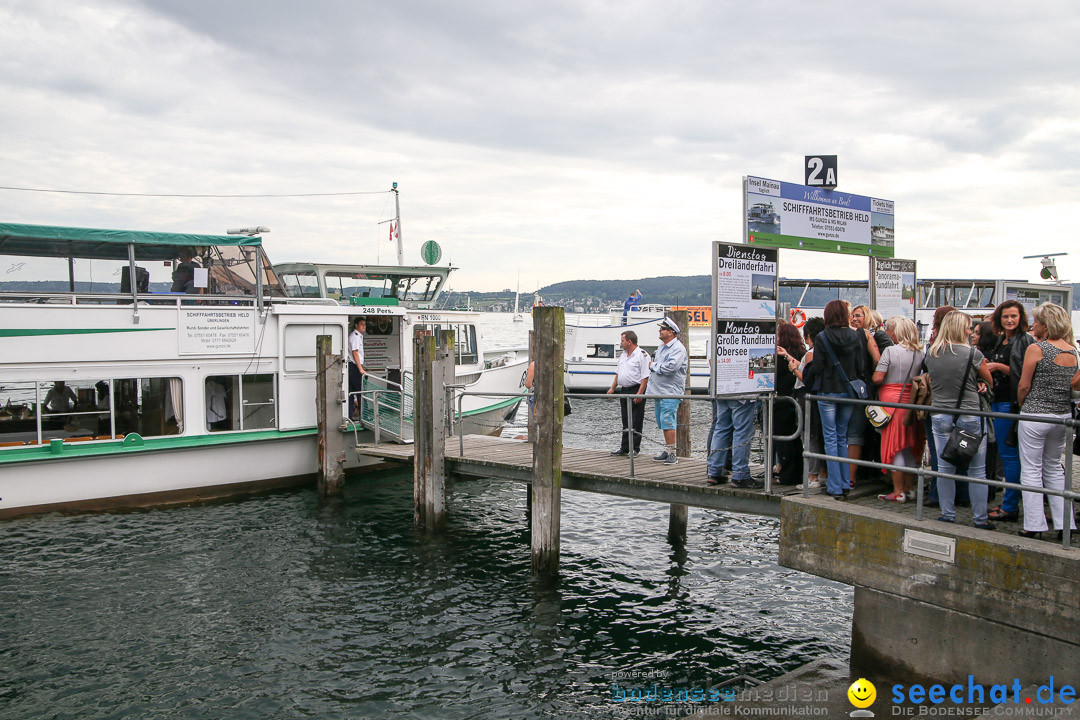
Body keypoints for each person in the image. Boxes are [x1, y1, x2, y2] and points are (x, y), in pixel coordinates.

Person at [924, 311, 995, 529]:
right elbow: (989, 380)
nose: (969, 330)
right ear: (959, 328)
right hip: (970, 414)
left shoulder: (931, 353)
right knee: (976, 470)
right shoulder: (973, 353)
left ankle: (947, 514)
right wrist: (980, 384)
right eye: (967, 327)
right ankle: (980, 518)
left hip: (940, 414)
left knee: (945, 469)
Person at [1016, 303, 1079, 539]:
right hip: (1062, 416)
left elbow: (1024, 384)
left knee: (1031, 470)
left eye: (1037, 322)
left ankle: (1034, 525)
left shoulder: (1037, 348)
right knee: (1054, 469)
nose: (1034, 326)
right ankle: (1066, 525)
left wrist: (1022, 404)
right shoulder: (1072, 350)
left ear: (1046, 324)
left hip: (1035, 414)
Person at [802, 300, 864, 499]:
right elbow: (860, 366)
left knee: (830, 437)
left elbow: (818, 367)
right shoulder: (855, 336)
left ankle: (835, 486)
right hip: (847, 392)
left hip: (827, 391)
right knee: (842, 437)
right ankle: (845, 483)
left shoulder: (822, 337)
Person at [985, 301, 1030, 522]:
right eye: (1005, 317)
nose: (1009, 320)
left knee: (1010, 456)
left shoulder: (1024, 341)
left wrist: (999, 367)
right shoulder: (1001, 340)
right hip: (997, 399)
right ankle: (1008, 502)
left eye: (1013, 316)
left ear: (1021, 317)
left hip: (1010, 404)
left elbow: (1025, 374)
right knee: (1005, 454)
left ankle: (1010, 506)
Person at [872, 316, 926, 502]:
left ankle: (898, 491)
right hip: (911, 400)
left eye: (889, 330)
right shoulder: (920, 352)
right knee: (909, 446)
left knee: (894, 447)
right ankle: (911, 489)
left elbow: (878, 378)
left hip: (891, 401)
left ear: (896, 332)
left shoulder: (890, 351)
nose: (887, 333)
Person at [847, 305, 885, 489]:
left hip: (846, 386)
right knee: (856, 433)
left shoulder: (847, 334)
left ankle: (846, 476)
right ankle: (852, 477)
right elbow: (877, 358)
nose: (854, 318)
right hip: (861, 387)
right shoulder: (866, 335)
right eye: (852, 315)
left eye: (858, 316)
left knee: (845, 434)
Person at [791, 316, 826, 490]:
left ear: (808, 335)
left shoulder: (812, 352)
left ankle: (813, 477)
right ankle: (822, 474)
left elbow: (807, 378)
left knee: (810, 436)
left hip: (806, 397)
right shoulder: (824, 349)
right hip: (819, 397)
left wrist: (794, 369)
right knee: (819, 436)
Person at [646, 318, 687, 465]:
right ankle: (668, 449)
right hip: (659, 391)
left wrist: (653, 365)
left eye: (662, 329)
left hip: (670, 392)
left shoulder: (677, 348)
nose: (660, 331)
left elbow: (671, 368)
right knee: (663, 422)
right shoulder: (662, 347)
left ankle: (672, 453)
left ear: (671, 332)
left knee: (669, 421)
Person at [607, 330, 650, 456]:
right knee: (625, 419)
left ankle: (635, 448)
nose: (621, 343)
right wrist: (612, 388)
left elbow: (645, 376)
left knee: (636, 420)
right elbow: (618, 373)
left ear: (629, 341)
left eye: (622, 340)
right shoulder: (623, 355)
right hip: (624, 389)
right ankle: (624, 447)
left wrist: (640, 393)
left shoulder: (642, 355)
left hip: (636, 389)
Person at [773, 321, 806, 485]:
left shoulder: (781, 357)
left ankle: (787, 474)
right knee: (796, 439)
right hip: (797, 400)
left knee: (782, 439)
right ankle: (797, 472)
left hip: (782, 401)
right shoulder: (802, 353)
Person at [348, 317, 367, 420]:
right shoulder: (355, 336)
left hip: (353, 366)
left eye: (364, 324)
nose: (363, 326)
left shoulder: (357, 336)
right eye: (361, 324)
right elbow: (355, 353)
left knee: (351, 393)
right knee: (361, 392)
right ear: (356, 325)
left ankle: (350, 416)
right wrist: (360, 369)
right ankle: (365, 416)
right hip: (354, 367)